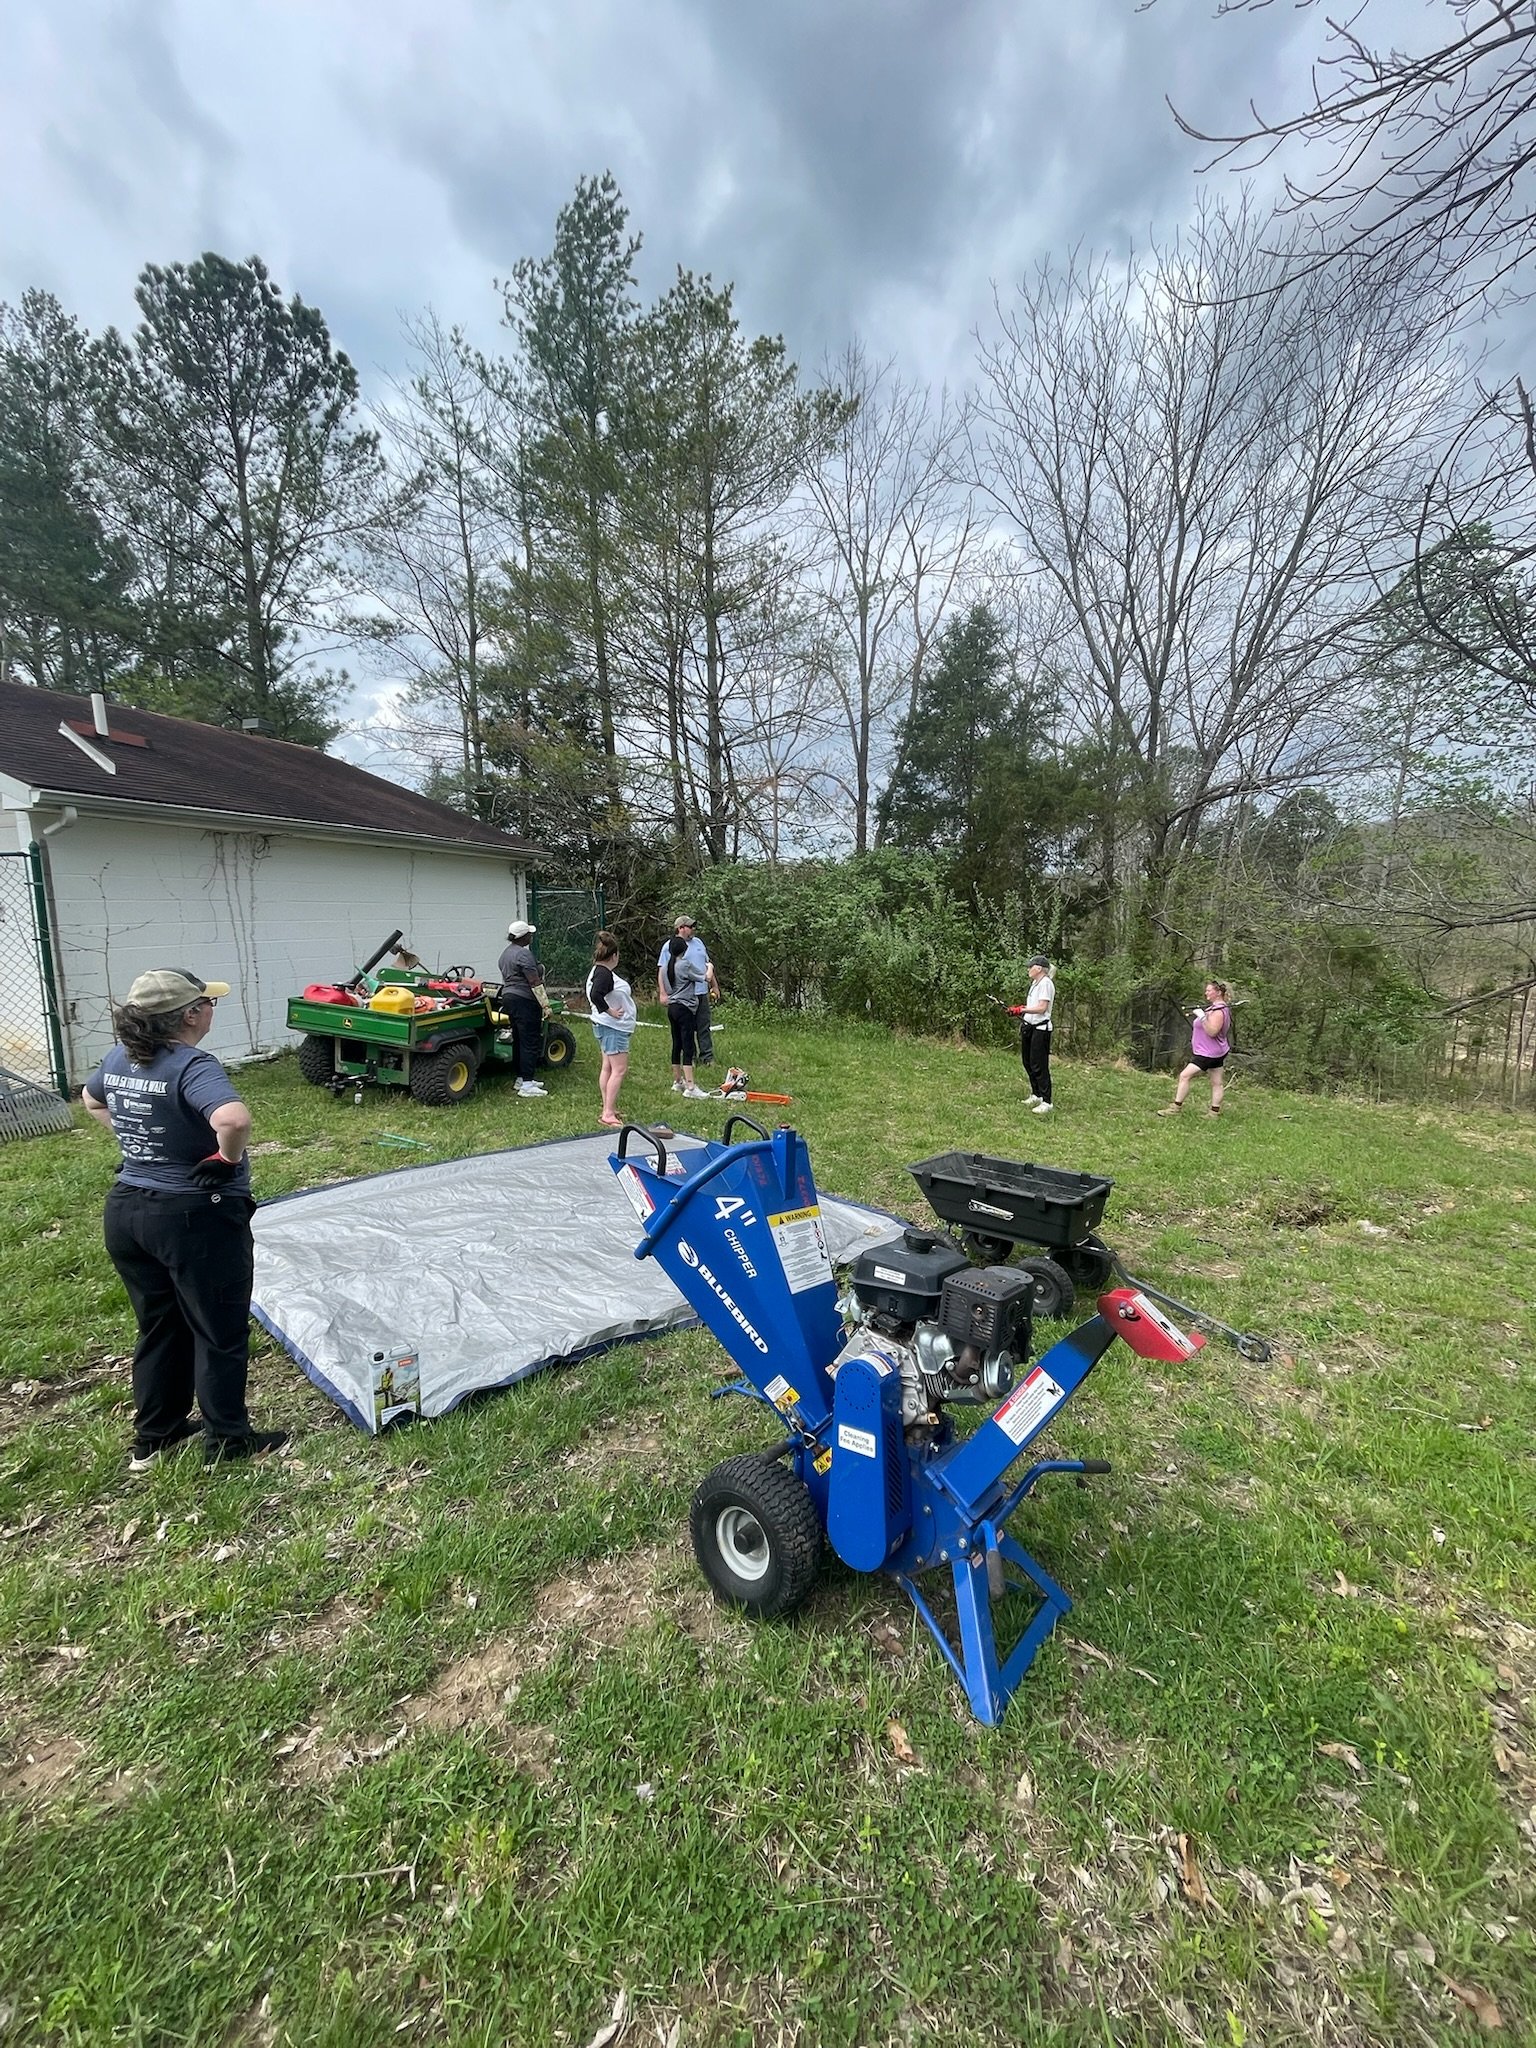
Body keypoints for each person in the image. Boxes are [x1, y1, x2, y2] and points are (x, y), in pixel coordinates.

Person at [80, 968, 288, 1471]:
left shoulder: (121, 1056)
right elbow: (233, 1119)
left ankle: (157, 1435)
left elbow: (91, 1099)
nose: (212, 1008)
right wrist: (225, 1159)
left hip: (128, 1212)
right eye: (208, 1002)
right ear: (191, 1014)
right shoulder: (192, 1064)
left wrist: (138, 1139)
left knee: (160, 1325)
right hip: (193, 1216)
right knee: (218, 1330)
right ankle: (227, 1442)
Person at [585, 930, 637, 1128]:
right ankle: (607, 1113)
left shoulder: (598, 970)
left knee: (607, 1066)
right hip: (612, 1027)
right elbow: (596, 995)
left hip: (605, 1026)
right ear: (614, 955)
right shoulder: (604, 974)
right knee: (619, 1069)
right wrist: (610, 1011)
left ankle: (609, 1106)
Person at [1158, 980, 1233, 1117]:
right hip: (1215, 1050)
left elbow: (1212, 1031)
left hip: (1208, 1053)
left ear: (1218, 993)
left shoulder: (1219, 1011)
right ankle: (1214, 1112)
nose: (1206, 993)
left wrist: (1202, 1017)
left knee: (1185, 1076)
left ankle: (1175, 1108)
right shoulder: (1215, 1008)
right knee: (1216, 1082)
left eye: (1209, 990)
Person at [656, 915, 720, 1065]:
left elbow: (707, 965)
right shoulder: (670, 946)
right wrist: (663, 993)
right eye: (690, 927)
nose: (693, 929)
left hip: (701, 992)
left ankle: (707, 1057)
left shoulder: (698, 943)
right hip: (683, 996)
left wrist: (714, 986)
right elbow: (662, 970)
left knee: (704, 1025)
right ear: (680, 928)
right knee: (687, 1028)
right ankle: (690, 1057)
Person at [497, 918, 549, 1099]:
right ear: (523, 937)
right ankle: (527, 1084)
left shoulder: (505, 954)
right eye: (529, 934)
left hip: (509, 998)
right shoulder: (524, 955)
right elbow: (534, 981)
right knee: (530, 1041)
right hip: (525, 1000)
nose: (531, 937)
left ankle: (521, 1078)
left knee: (519, 1039)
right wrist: (545, 1004)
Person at [1009, 954, 1056, 1115]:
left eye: (1031, 966)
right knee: (1027, 1061)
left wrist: (1021, 1010)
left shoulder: (1046, 984)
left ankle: (1047, 1101)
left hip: (1041, 1030)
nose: (1028, 969)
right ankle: (1036, 1094)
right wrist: (1020, 1009)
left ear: (1039, 968)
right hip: (1030, 1027)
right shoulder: (1035, 984)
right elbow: (1033, 1005)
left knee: (1039, 1064)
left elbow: (1042, 1008)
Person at [664, 936, 711, 1097]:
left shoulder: (666, 967)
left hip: (672, 1008)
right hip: (685, 1009)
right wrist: (710, 967)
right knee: (688, 1045)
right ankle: (690, 1086)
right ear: (684, 949)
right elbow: (705, 977)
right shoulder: (684, 965)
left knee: (676, 1044)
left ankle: (678, 1081)